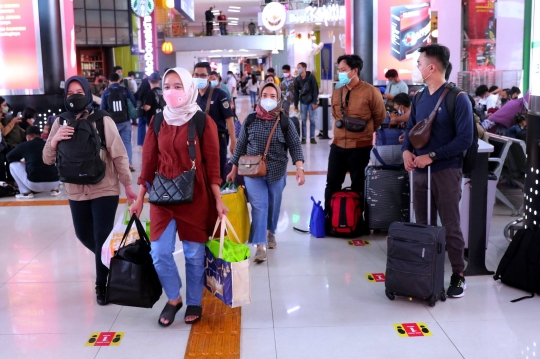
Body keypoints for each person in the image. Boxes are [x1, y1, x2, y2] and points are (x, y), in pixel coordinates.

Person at [129, 67, 227, 326]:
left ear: (189, 87)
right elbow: (148, 162)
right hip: (162, 194)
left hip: (195, 194)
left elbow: (213, 163)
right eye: (168, 86)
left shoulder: (202, 121)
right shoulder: (158, 120)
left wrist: (218, 199)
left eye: (178, 86)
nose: (171, 91)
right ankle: (174, 298)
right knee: (160, 252)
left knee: (194, 254)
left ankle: (194, 299)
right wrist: (139, 197)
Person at [43, 75, 137, 305]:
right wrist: (54, 140)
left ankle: (102, 285)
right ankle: (115, 261)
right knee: (83, 234)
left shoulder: (102, 119)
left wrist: (127, 184)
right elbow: (47, 159)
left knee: (101, 235)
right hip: (75, 189)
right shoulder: (60, 122)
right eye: (70, 93)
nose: (75, 97)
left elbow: (119, 153)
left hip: (105, 187)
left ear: (87, 92)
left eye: (79, 92)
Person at [402, 44, 473, 298]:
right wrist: (406, 152)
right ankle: (426, 269)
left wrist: (431, 156)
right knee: (423, 223)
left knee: (451, 224)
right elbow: (411, 129)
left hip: (446, 171)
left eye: (420, 63)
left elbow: (465, 139)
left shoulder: (459, 98)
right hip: (420, 173)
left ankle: (458, 274)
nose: (417, 67)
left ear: (432, 67)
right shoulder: (419, 97)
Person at [227, 82, 305, 263]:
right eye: (265, 95)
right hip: (252, 172)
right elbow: (240, 146)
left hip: (277, 172)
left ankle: (270, 232)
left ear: (278, 99)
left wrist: (299, 168)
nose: (268, 99)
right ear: (259, 96)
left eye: (272, 96)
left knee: (273, 205)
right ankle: (260, 245)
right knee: (259, 205)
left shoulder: (286, 122)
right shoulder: (251, 119)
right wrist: (233, 170)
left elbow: (295, 146)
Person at [324, 54, 385, 212]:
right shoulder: (337, 93)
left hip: (360, 147)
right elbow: (335, 115)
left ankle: (357, 219)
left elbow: (380, 117)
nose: (340, 73)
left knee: (358, 185)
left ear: (355, 71)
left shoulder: (371, 92)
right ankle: (329, 217)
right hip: (337, 146)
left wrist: (365, 131)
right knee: (332, 183)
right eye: (339, 70)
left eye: (343, 70)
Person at [194, 62, 236, 182]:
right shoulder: (192, 95)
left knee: (217, 171)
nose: (199, 78)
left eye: (202, 75)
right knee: (200, 172)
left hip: (217, 139)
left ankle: (218, 198)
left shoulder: (219, 95)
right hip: (198, 139)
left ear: (208, 76)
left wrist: (233, 140)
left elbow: (229, 118)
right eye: (196, 75)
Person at [7, 126, 60, 199]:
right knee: (54, 161)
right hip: (55, 182)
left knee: (12, 165)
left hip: (34, 184)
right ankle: (55, 190)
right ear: (40, 135)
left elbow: (9, 157)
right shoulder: (49, 144)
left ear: (27, 137)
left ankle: (26, 193)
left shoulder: (25, 145)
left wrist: (24, 161)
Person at [101, 72, 137, 172]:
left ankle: (114, 166)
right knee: (126, 143)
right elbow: (133, 102)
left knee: (112, 144)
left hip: (112, 122)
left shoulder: (106, 92)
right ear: (119, 80)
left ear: (109, 81)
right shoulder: (125, 90)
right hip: (125, 120)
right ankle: (128, 164)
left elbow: (102, 108)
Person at [294, 62, 319, 144]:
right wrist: (296, 105)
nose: (298, 69)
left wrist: (315, 102)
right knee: (303, 120)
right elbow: (296, 92)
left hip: (311, 102)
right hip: (303, 102)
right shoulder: (297, 79)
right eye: (297, 67)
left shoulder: (311, 77)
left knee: (312, 120)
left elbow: (315, 90)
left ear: (304, 68)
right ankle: (303, 138)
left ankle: (312, 137)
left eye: (299, 67)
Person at [140, 73, 164, 146]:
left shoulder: (150, 93)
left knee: (155, 136)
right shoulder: (163, 92)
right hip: (164, 117)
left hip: (153, 118)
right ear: (159, 81)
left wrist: (142, 107)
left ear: (149, 81)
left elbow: (147, 107)